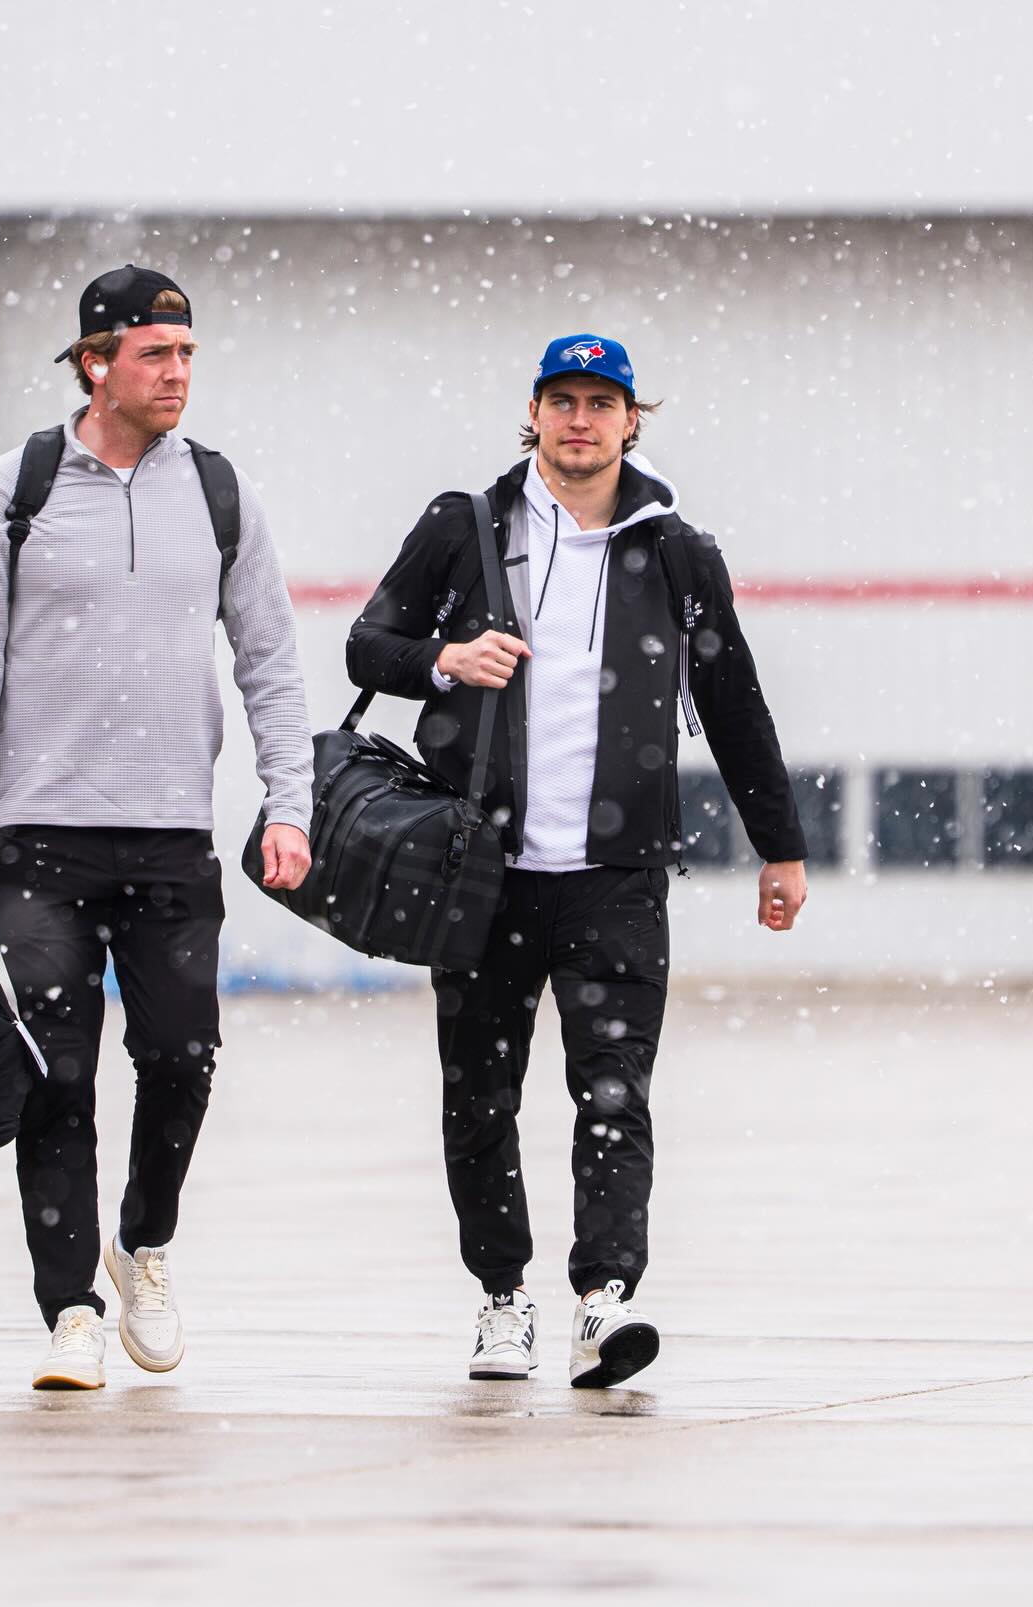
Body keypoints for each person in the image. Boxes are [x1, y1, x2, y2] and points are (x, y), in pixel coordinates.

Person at [346, 334, 807, 1388]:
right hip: (483, 870)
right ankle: (502, 1299)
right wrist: (443, 659)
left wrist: (779, 844)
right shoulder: (466, 526)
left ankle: (605, 1300)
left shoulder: (676, 551)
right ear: (536, 411)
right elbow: (368, 648)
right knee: (479, 1095)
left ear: (633, 419)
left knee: (613, 1092)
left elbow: (733, 702)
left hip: (617, 875)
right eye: (564, 400)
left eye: (602, 402)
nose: (582, 419)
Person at [0, 265, 313, 1389]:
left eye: (187, 354)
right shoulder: (13, 491)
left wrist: (290, 801)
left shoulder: (222, 494)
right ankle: (70, 1311)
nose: (178, 374)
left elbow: (273, 664)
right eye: (155, 355)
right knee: (57, 1072)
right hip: (42, 832)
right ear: (96, 364)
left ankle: (143, 1241)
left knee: (182, 1057)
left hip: (173, 834)